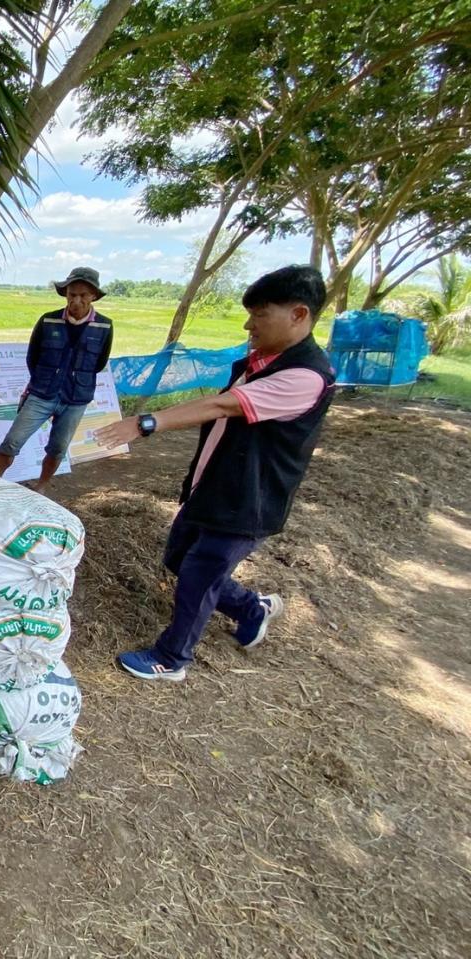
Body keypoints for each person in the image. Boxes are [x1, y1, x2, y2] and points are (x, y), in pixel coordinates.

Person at [94, 265, 335, 682]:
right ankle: (249, 607)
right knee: (178, 559)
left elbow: (222, 406)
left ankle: (172, 658)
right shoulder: (260, 361)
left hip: (247, 500)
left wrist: (144, 422)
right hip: (212, 487)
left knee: (199, 575)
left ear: (298, 315)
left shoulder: (305, 376)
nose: (249, 324)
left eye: (260, 314)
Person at [0, 266, 114, 487]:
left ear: (93, 296)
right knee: (12, 442)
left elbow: (99, 363)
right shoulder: (48, 321)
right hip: (42, 395)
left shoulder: (105, 326)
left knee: (58, 448)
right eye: (72, 294)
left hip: (75, 400)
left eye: (83, 295)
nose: (76, 300)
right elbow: (33, 357)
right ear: (65, 294)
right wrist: (45, 381)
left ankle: (41, 487)